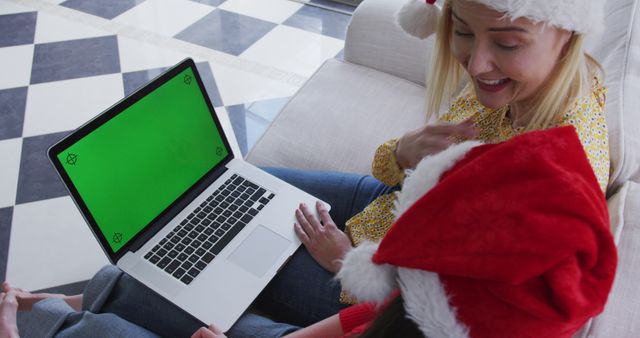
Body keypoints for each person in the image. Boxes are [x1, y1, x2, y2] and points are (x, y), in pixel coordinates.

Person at [2, 0, 612, 336]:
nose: (477, 63)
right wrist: (400, 156)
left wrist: (346, 263)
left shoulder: (548, 180)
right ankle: (120, 281)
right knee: (221, 192)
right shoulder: (545, 86)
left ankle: (89, 303)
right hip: (384, 214)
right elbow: (399, 173)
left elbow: (420, 317)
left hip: (379, 282)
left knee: (179, 277)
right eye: (460, 30)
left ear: (567, 36)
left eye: (506, 42)